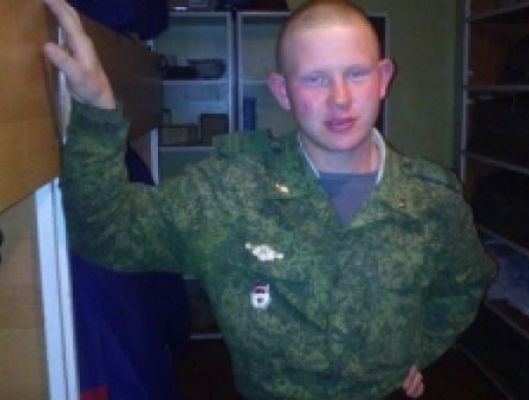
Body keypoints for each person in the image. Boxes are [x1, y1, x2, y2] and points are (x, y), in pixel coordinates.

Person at [43, 0, 496, 398]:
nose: (340, 99)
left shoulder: (432, 201)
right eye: (315, 79)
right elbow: (106, 233)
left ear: (383, 79)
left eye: (356, 74)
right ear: (282, 91)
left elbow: (464, 285)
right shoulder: (229, 193)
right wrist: (97, 110)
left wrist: (414, 348)